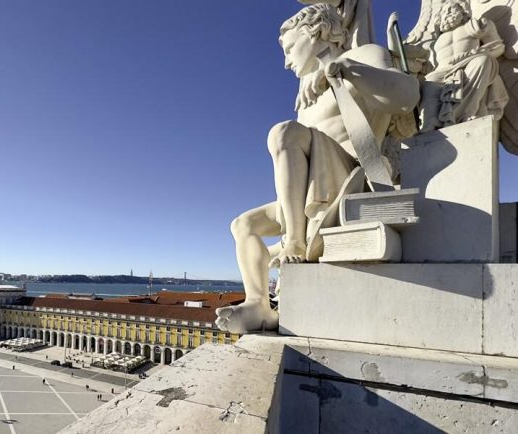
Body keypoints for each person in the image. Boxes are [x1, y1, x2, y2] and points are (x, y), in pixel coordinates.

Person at [215, 3, 419, 334]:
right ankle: (259, 304)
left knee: (282, 132)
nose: (286, 61)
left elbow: (406, 96)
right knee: (243, 225)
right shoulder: (307, 90)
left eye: (289, 48)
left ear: (315, 32)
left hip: (351, 174)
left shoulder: (365, 55)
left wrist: (347, 69)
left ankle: (295, 241)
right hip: (312, 189)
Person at [418, 0, 508, 132]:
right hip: (440, 72)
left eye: (451, 9)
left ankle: (465, 114)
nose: (447, 12)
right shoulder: (434, 41)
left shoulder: (476, 25)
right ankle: (429, 123)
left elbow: (498, 47)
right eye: (444, 11)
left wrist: (481, 52)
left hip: (469, 64)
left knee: (483, 61)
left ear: (463, 11)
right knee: (427, 83)